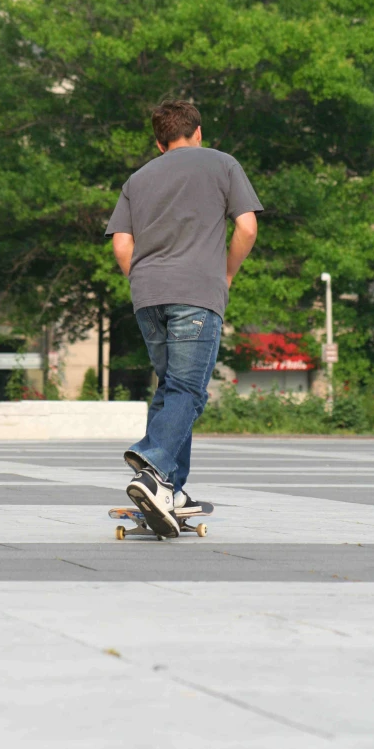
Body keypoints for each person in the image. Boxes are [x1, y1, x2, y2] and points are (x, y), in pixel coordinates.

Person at [105, 99, 263, 537]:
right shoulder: (222, 164)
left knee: (173, 389)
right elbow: (247, 227)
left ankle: (170, 490)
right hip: (197, 294)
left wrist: (145, 283)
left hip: (148, 297)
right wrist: (226, 274)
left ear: (159, 143)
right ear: (198, 132)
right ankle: (152, 467)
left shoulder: (137, 179)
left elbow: (122, 246)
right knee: (188, 390)